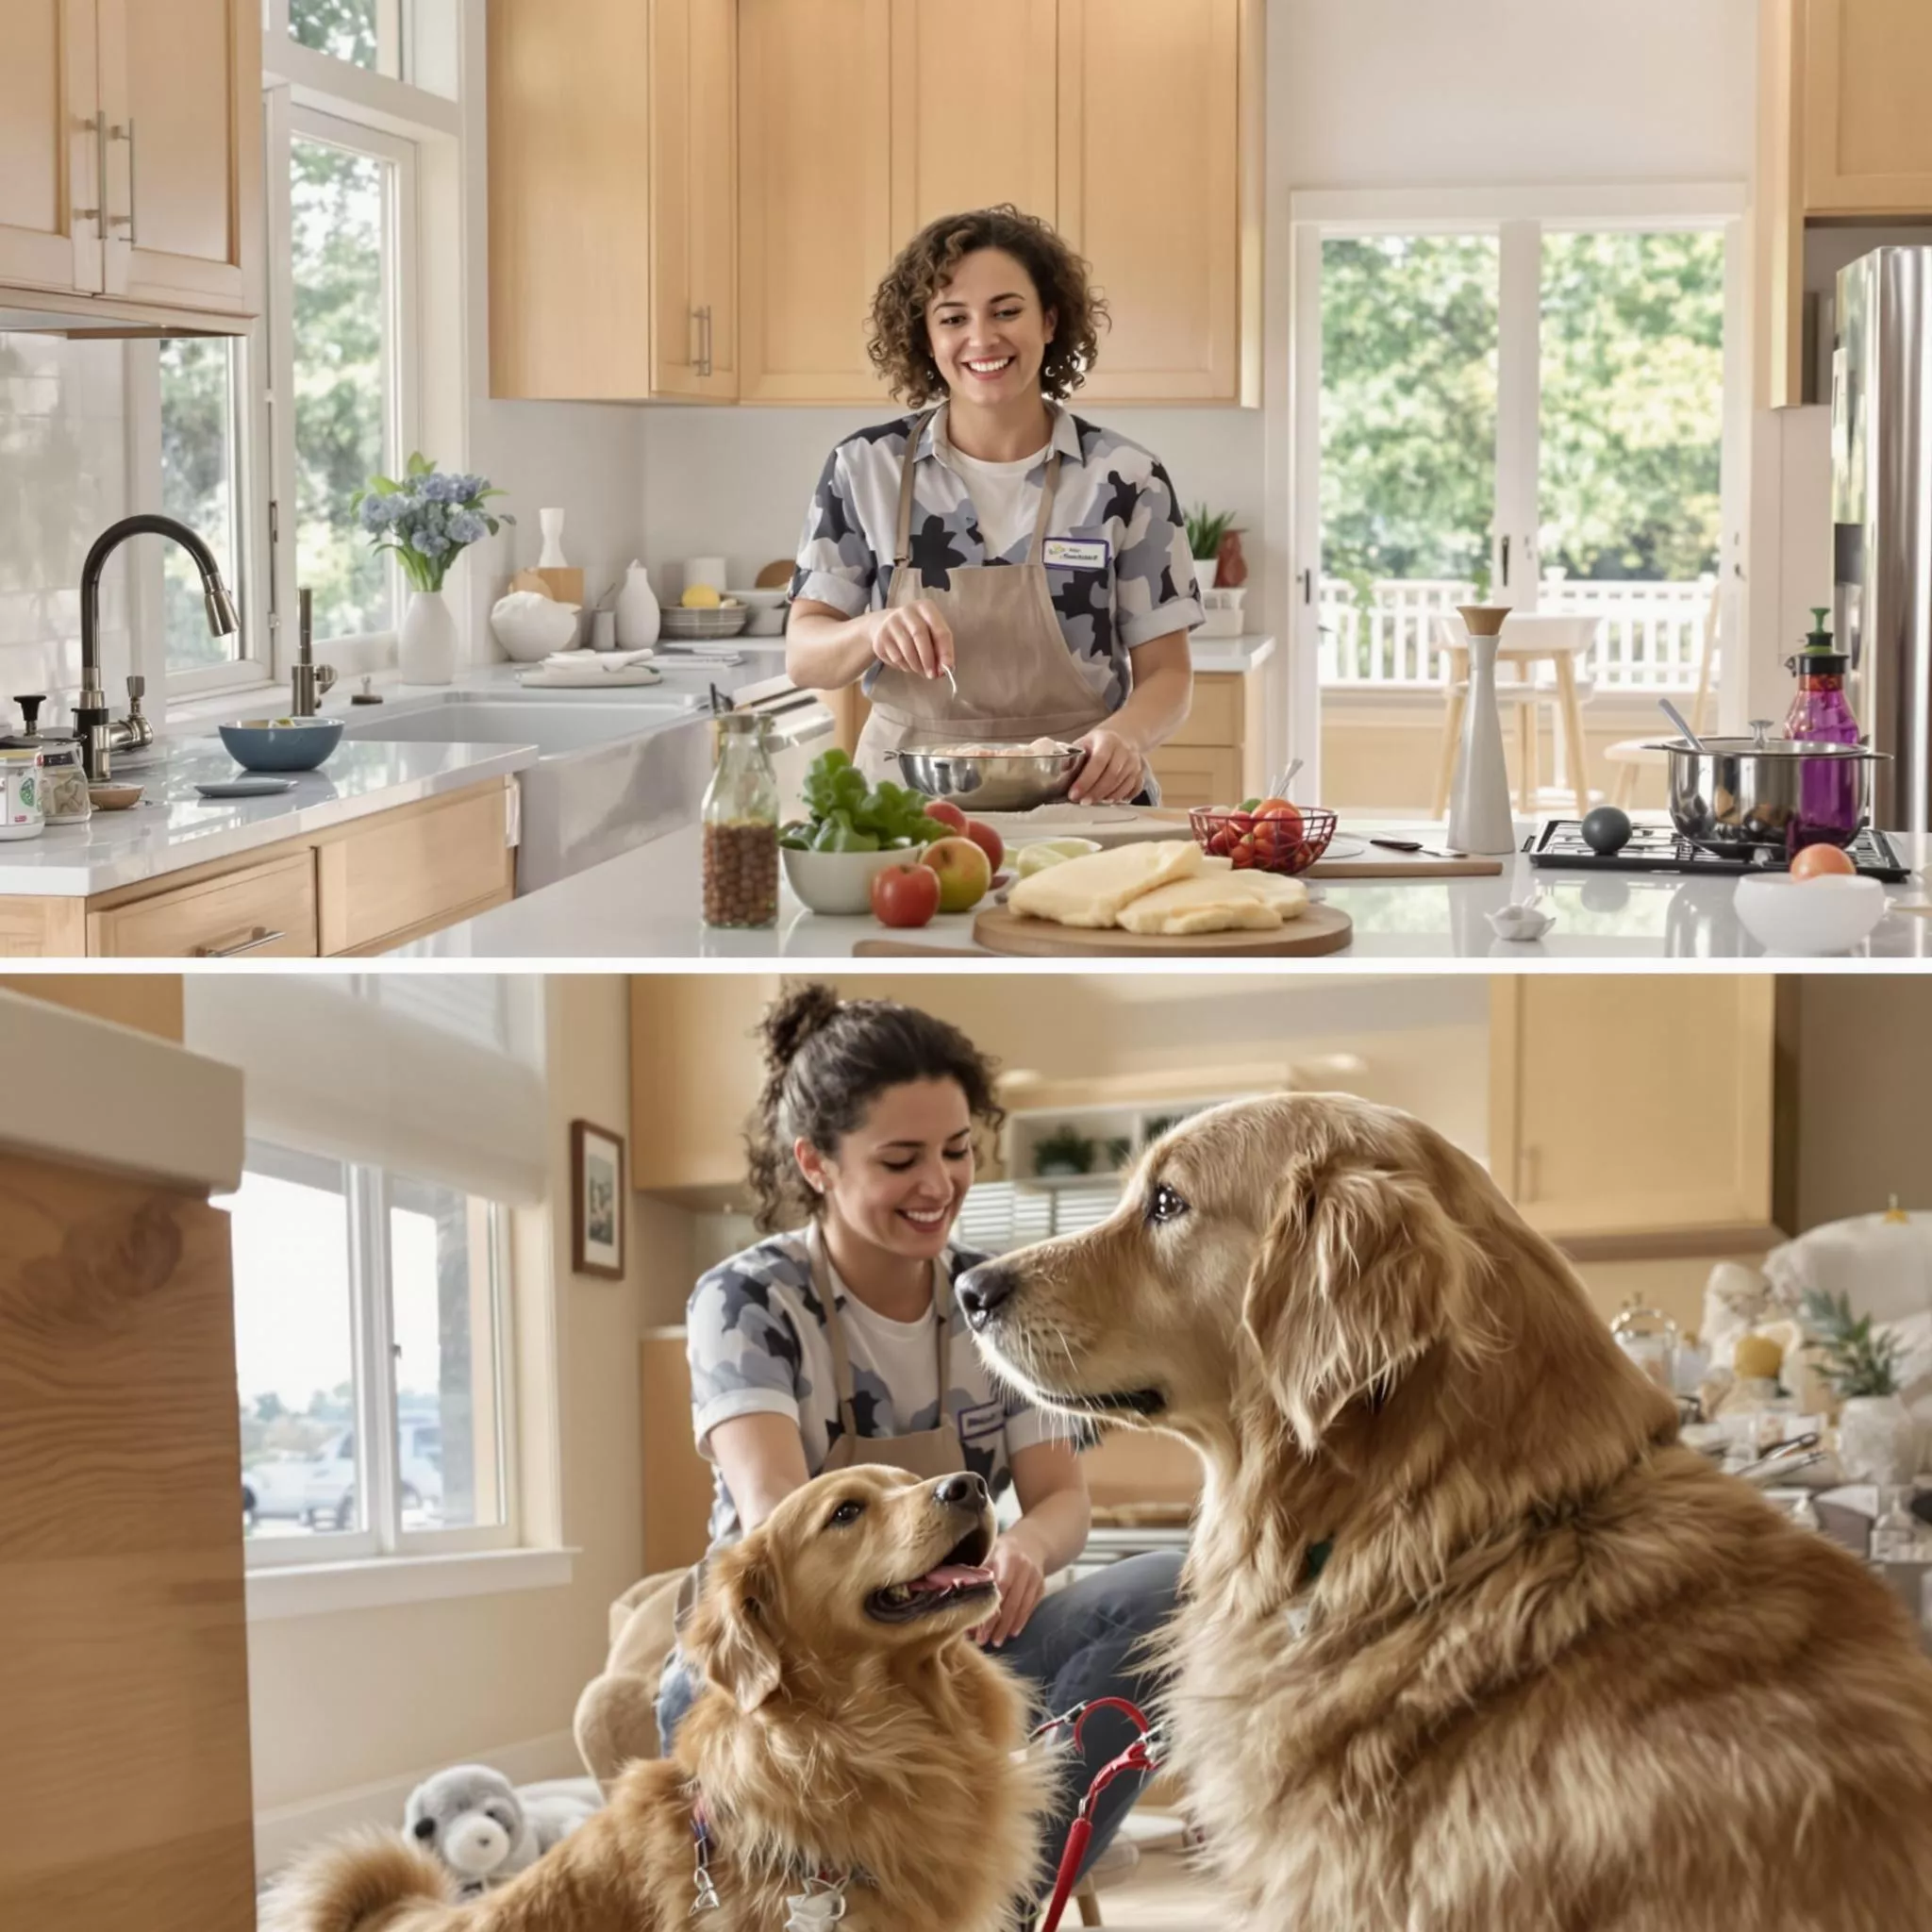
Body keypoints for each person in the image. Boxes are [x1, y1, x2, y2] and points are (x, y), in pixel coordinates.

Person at [656, 983, 1181, 1897]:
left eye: (955, 1149)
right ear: (815, 1161)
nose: (937, 1183)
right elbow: (775, 1514)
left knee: (1178, 1586)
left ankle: (1002, 1902)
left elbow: (1059, 1495)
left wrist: (1021, 1545)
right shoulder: (747, 1300)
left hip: (966, 1639)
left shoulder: (995, 1288)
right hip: (809, 1659)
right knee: (684, 1707)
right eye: (900, 1158)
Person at [785, 204, 1202, 805]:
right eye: (953, 318)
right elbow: (805, 656)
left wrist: (1125, 738)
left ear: (1050, 321)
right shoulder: (864, 468)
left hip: (1082, 799)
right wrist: (872, 630)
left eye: (1007, 311)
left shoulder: (1126, 478)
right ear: (927, 339)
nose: (982, 338)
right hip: (908, 806)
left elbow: (1169, 673)